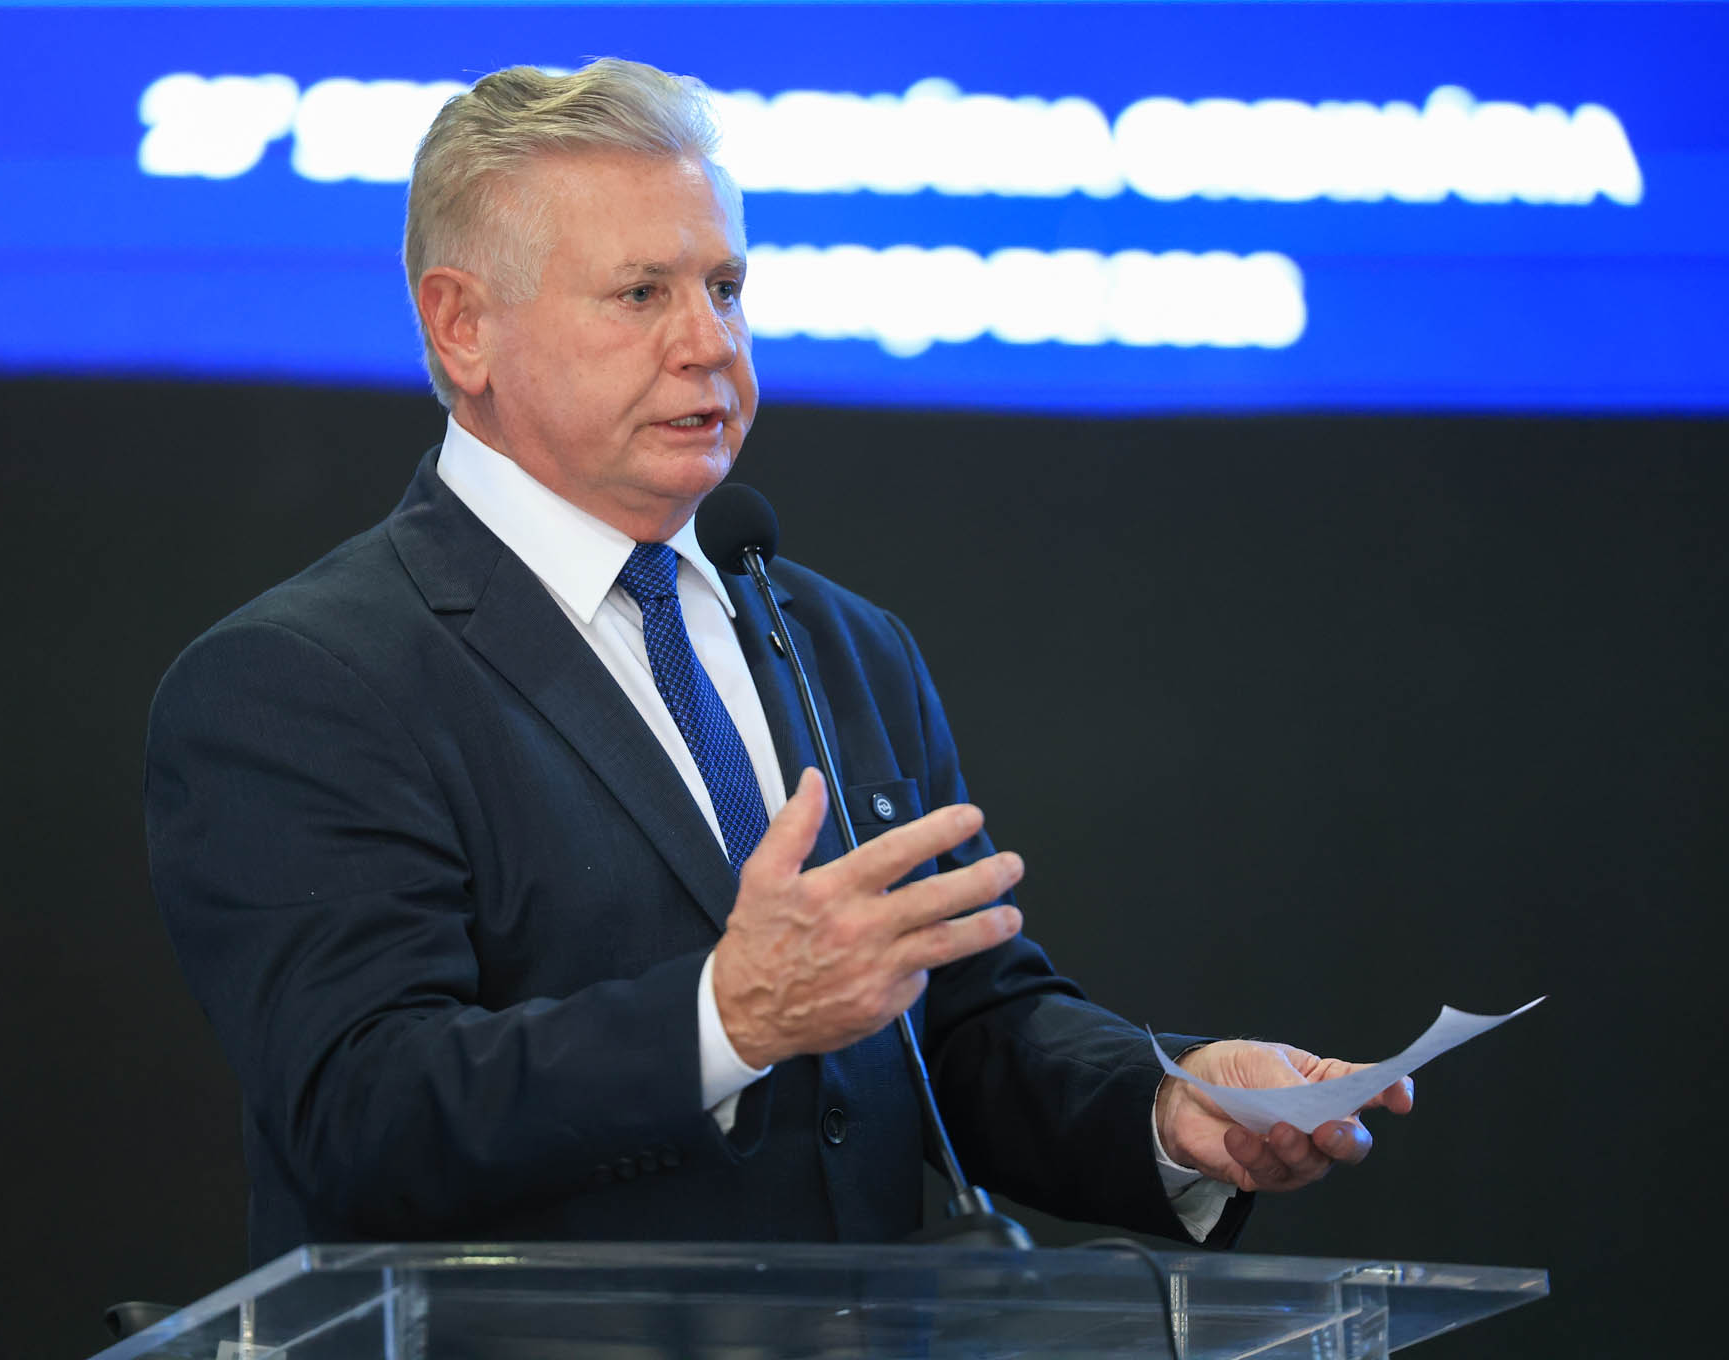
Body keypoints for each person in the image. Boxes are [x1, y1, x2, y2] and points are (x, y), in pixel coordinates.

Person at [145, 58, 1412, 1265]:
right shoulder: (302, 681)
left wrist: (1169, 1105)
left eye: (726, 286)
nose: (708, 342)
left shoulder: (839, 642)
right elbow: (362, 1111)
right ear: (462, 327)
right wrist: (726, 1018)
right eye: (642, 294)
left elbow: (954, 1032)